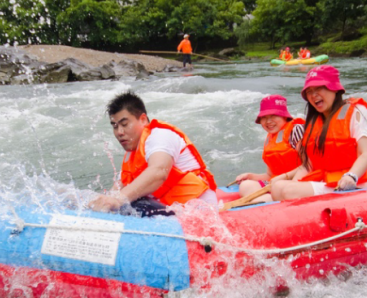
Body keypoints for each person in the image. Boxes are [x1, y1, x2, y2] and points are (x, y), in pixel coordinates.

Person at [254, 65, 367, 203]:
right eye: (309, 91)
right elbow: (308, 165)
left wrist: (351, 176)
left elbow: (365, 153)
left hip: (356, 183)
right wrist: (291, 182)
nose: (313, 95)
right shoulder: (314, 122)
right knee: (279, 187)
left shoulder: (357, 111)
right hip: (328, 182)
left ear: (334, 88)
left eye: (319, 88)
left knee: (287, 190)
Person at [90, 91, 218, 214]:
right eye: (115, 126)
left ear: (143, 119)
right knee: (131, 205)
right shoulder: (132, 153)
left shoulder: (160, 136)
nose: (119, 132)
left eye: (124, 124)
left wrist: (117, 199)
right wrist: (104, 202)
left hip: (199, 208)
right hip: (170, 209)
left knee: (133, 204)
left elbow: (158, 172)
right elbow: (120, 187)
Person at [233, 95, 305, 199]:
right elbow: (270, 175)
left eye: (273, 116)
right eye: (264, 117)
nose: (268, 121)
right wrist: (251, 176)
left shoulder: (296, 131)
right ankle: (264, 203)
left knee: (270, 195)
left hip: (298, 183)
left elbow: (309, 165)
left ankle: (264, 204)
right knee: (246, 185)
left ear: (284, 116)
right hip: (277, 183)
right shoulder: (270, 139)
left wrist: (284, 178)